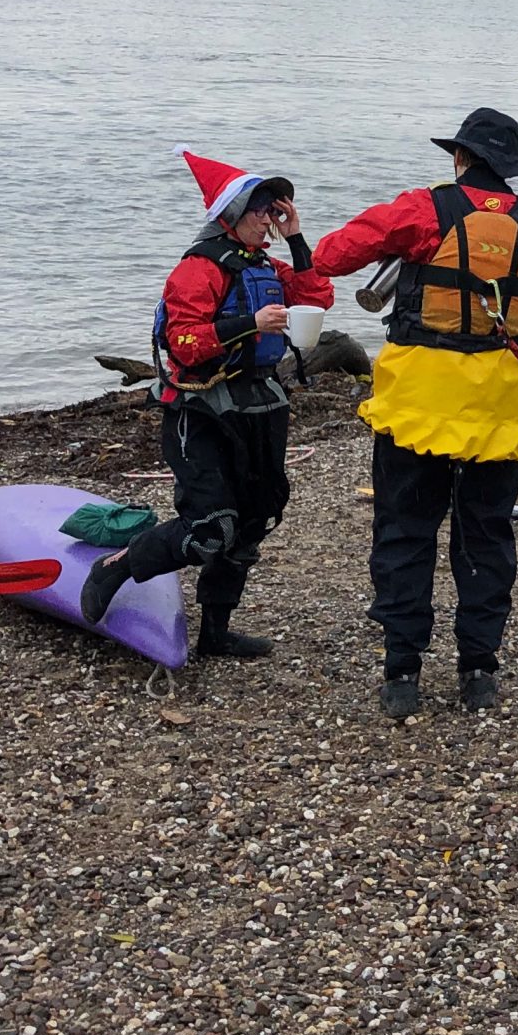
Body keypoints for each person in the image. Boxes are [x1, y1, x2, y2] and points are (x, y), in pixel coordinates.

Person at [313, 109, 518, 719]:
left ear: (460, 158)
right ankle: (479, 669)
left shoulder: (423, 210)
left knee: (405, 529)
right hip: (502, 409)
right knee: (486, 532)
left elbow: (330, 256)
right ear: (507, 168)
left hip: (420, 405)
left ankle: (402, 671)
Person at [81, 150, 336, 657]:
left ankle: (215, 635)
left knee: (253, 520)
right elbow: (184, 345)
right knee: (209, 529)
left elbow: (318, 297)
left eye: (273, 208)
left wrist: (298, 238)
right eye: (261, 209)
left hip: (261, 403)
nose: (269, 217)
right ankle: (117, 566)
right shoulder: (198, 270)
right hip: (200, 410)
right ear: (231, 214)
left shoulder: (264, 264)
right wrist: (250, 324)